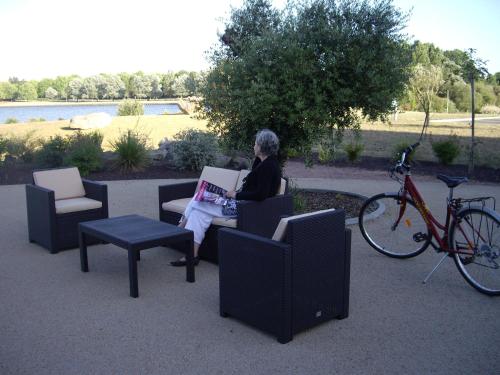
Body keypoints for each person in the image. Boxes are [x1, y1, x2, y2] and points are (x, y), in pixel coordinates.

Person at [170, 129, 282, 266]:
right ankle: (192, 256)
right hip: (240, 203)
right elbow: (253, 187)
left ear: (261, 146)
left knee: (198, 200)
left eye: (255, 144)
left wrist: (236, 194)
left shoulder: (269, 166)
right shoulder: (262, 162)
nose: (254, 146)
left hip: (245, 208)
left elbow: (261, 194)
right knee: (199, 213)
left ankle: (180, 227)